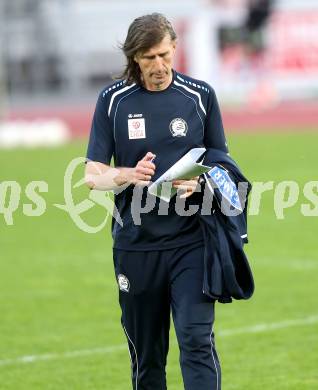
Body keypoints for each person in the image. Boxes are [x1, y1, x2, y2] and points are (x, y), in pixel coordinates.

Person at [85, 13, 228, 390]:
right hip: (136, 247)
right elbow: (92, 176)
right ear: (134, 57)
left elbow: (222, 165)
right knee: (147, 359)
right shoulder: (112, 100)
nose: (159, 66)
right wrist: (126, 174)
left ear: (175, 48)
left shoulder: (200, 96)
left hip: (192, 242)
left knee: (196, 341)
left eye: (165, 55)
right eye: (149, 58)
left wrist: (199, 184)